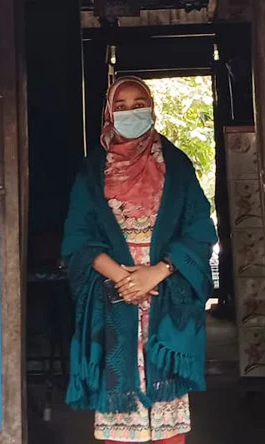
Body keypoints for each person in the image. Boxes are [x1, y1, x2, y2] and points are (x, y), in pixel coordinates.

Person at [62, 76, 218, 444]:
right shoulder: (91, 170)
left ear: (152, 107)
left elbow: (199, 231)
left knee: (167, 401)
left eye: (139, 103)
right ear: (108, 113)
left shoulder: (176, 165)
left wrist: (156, 274)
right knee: (119, 400)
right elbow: (77, 239)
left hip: (165, 290)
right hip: (112, 296)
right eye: (122, 105)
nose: (131, 112)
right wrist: (122, 278)